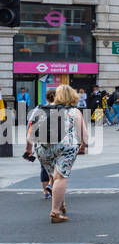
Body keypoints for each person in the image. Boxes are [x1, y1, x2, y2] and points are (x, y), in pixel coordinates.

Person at [24, 84, 88, 223]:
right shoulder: (74, 111)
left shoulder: (41, 109)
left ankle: (61, 204)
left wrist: (28, 149)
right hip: (65, 147)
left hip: (42, 148)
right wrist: (82, 147)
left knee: (54, 175)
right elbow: (84, 135)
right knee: (60, 177)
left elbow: (30, 131)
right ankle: (55, 212)